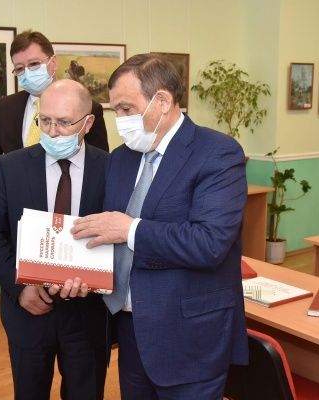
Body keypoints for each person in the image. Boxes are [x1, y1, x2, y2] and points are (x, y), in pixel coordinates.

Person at [71, 54, 249, 400]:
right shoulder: (121, 158)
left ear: (163, 101)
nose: (120, 121)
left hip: (190, 337)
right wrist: (74, 269)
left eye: (126, 108)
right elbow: (107, 232)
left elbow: (209, 243)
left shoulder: (218, 153)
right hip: (131, 329)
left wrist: (131, 230)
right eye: (115, 110)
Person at [0, 79, 109, 400]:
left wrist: (97, 277)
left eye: (63, 122)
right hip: (29, 310)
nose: (52, 131)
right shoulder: (9, 166)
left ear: (88, 123)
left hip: (88, 313)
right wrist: (19, 287)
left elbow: (118, 233)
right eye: (45, 120)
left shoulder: (111, 168)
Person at [0, 30, 109, 212]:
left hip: (70, 212)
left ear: (53, 62)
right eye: (20, 68)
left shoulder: (89, 108)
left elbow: (98, 168)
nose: (27, 73)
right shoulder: (5, 108)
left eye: (34, 64)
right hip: (17, 217)